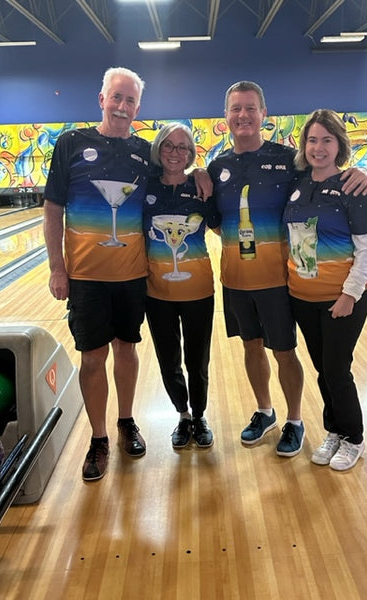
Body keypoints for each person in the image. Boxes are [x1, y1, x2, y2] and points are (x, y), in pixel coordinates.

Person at [43, 67, 212, 481]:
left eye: (130, 100)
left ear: (138, 107)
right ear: (101, 99)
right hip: (85, 276)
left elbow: (177, 170)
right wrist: (57, 268)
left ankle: (125, 422)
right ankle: (98, 438)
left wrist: (200, 172)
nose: (122, 106)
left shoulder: (144, 152)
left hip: (133, 275)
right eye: (116, 97)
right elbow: (52, 209)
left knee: (125, 349)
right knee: (93, 355)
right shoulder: (70, 144)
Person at [207, 81, 367, 457]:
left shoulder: (287, 160)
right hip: (235, 280)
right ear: (226, 116)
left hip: (280, 282)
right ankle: (265, 411)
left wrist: (362, 172)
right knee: (251, 348)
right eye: (236, 108)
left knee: (284, 351)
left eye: (251, 108)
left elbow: (326, 171)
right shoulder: (217, 168)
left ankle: (295, 420)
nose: (243, 115)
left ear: (264, 114)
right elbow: (215, 220)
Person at [283, 109, 367, 471]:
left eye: (327, 140)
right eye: (312, 139)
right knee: (324, 368)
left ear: (340, 144)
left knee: (337, 368)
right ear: (303, 144)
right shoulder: (297, 183)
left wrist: (349, 295)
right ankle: (334, 431)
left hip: (342, 297)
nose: (318, 147)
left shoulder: (354, 188)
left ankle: (354, 438)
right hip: (302, 297)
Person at [143, 123, 221, 449]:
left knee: (197, 359)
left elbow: (219, 227)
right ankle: (183, 414)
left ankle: (200, 414)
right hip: (156, 292)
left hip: (199, 291)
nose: (176, 153)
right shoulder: (145, 186)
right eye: (169, 146)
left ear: (191, 153)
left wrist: (203, 174)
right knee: (168, 359)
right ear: (159, 150)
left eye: (183, 147)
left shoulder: (202, 189)